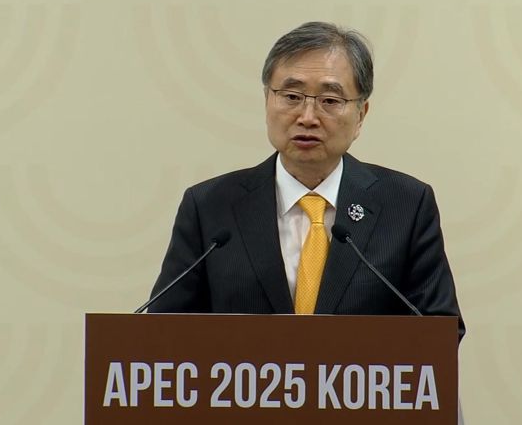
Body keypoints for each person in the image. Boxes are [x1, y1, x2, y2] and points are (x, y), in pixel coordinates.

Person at [148, 21, 465, 341]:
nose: (308, 117)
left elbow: (440, 332)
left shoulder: (406, 206)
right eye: (291, 96)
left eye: (330, 101)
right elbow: (163, 332)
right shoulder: (209, 207)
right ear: (267, 100)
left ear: (361, 115)